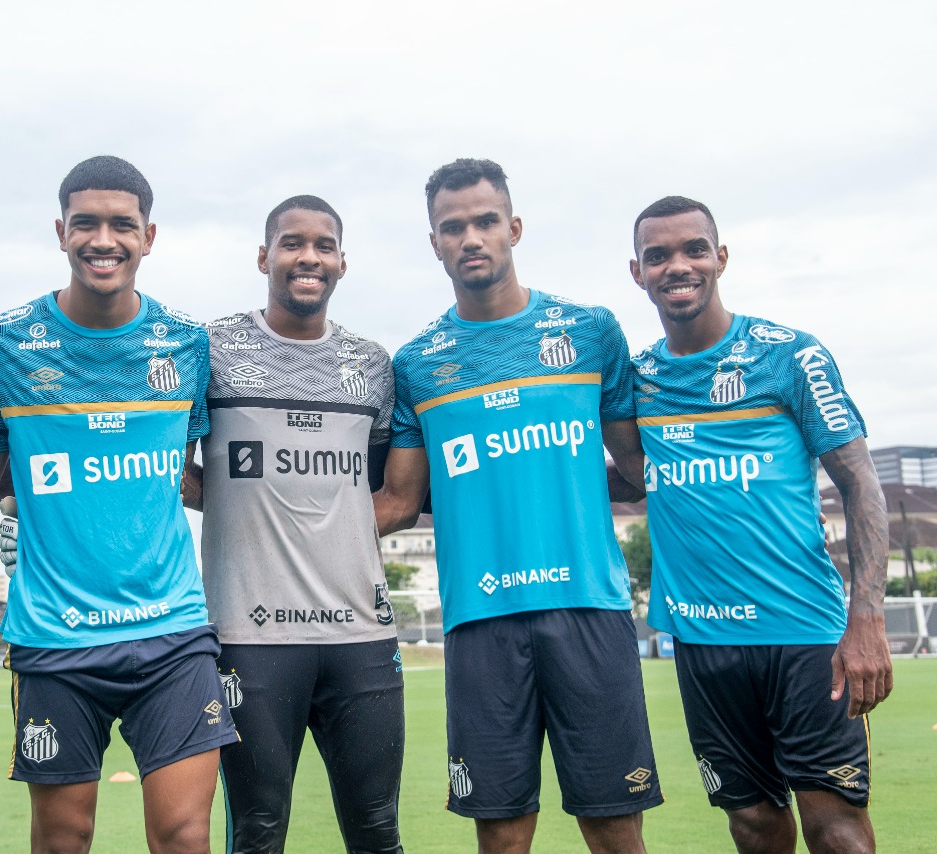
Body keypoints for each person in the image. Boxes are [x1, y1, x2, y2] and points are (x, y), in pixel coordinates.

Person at [373, 158, 662, 854]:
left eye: (484, 221)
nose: (471, 238)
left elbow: (638, 469)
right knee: (502, 834)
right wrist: (271, 512)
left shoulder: (589, 330)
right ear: (434, 242)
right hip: (481, 623)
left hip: (590, 608)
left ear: (514, 228)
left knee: (614, 828)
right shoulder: (416, 363)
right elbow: (400, 502)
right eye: (453, 227)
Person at [0, 155, 237, 854]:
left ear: (150, 236)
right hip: (56, 635)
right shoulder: (3, 344)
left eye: (122, 224)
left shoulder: (184, 342)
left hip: (171, 631)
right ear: (61, 232)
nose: (103, 239)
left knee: (182, 836)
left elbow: (182, 474)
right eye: (85, 223)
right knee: (63, 840)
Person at [627, 195, 892, 853]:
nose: (677, 266)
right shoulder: (639, 380)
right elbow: (624, 471)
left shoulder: (791, 356)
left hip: (805, 638)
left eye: (693, 249)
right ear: (638, 272)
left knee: (835, 830)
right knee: (751, 824)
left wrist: (866, 621)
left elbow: (861, 483)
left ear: (720, 257)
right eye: (658, 255)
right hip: (703, 644)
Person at [184, 195, 405, 852]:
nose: (309, 256)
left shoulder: (372, 365)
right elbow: (175, 470)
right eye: (292, 243)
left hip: (360, 637)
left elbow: (389, 494)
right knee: (256, 833)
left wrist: (330, 523)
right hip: (248, 637)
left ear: (341, 262)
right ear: (264, 257)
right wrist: (237, 502)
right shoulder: (212, 349)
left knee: (377, 832)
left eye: (324, 244)